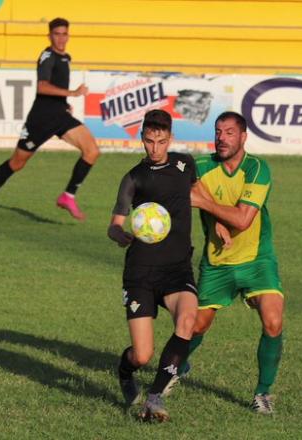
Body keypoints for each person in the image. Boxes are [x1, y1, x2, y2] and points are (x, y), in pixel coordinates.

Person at [181, 111, 285, 415]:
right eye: (218, 132)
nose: (221, 138)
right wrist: (215, 221)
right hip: (217, 263)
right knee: (196, 325)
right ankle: (177, 366)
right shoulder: (200, 166)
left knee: (273, 321)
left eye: (229, 132)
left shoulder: (256, 169)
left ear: (243, 137)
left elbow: (242, 218)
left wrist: (205, 204)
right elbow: (188, 188)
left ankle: (263, 393)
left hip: (256, 260)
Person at [108, 109, 198, 422]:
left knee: (187, 320)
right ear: (142, 139)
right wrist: (120, 234)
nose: (155, 148)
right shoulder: (133, 178)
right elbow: (114, 225)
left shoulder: (186, 164)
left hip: (177, 269)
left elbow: (196, 197)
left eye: (161, 141)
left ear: (170, 138)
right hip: (141, 273)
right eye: (149, 141)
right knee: (142, 354)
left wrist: (220, 224)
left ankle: (155, 399)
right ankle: (125, 368)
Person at [0, 17, 100, 223]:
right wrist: (72, 93)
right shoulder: (47, 56)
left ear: (68, 35)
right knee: (17, 163)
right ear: (49, 36)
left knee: (92, 151)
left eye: (64, 34)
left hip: (60, 116)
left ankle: (68, 196)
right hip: (40, 119)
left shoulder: (66, 57)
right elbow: (42, 87)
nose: (61, 38)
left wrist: (64, 102)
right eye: (56, 34)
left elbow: (54, 88)